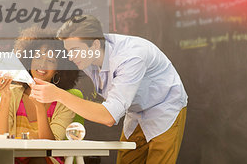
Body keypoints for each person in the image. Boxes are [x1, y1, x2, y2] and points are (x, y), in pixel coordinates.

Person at [30, 15, 188, 164]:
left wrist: (58, 94)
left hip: (163, 105)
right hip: (135, 110)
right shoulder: (87, 53)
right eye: (68, 51)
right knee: (126, 160)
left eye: (75, 51)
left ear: (96, 44)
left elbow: (109, 117)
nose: (70, 57)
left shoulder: (130, 58)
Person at [0, 26, 80, 164]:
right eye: (38, 57)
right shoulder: (13, 94)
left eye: (50, 61)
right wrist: (5, 97)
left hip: (45, 160)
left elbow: (50, 148)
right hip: (13, 159)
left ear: (59, 70)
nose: (42, 64)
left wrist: (40, 108)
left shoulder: (63, 100)